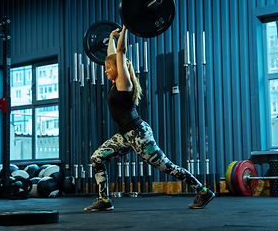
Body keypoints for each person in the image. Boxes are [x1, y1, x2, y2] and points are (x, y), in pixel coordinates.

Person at [84, 25, 214, 212]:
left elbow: (120, 52)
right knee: (97, 158)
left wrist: (127, 27)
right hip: (125, 135)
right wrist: (112, 38)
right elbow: (112, 55)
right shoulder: (115, 82)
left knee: (165, 166)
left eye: (107, 68)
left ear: (117, 69)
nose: (105, 71)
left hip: (138, 134)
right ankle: (103, 200)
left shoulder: (124, 82)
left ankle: (202, 191)